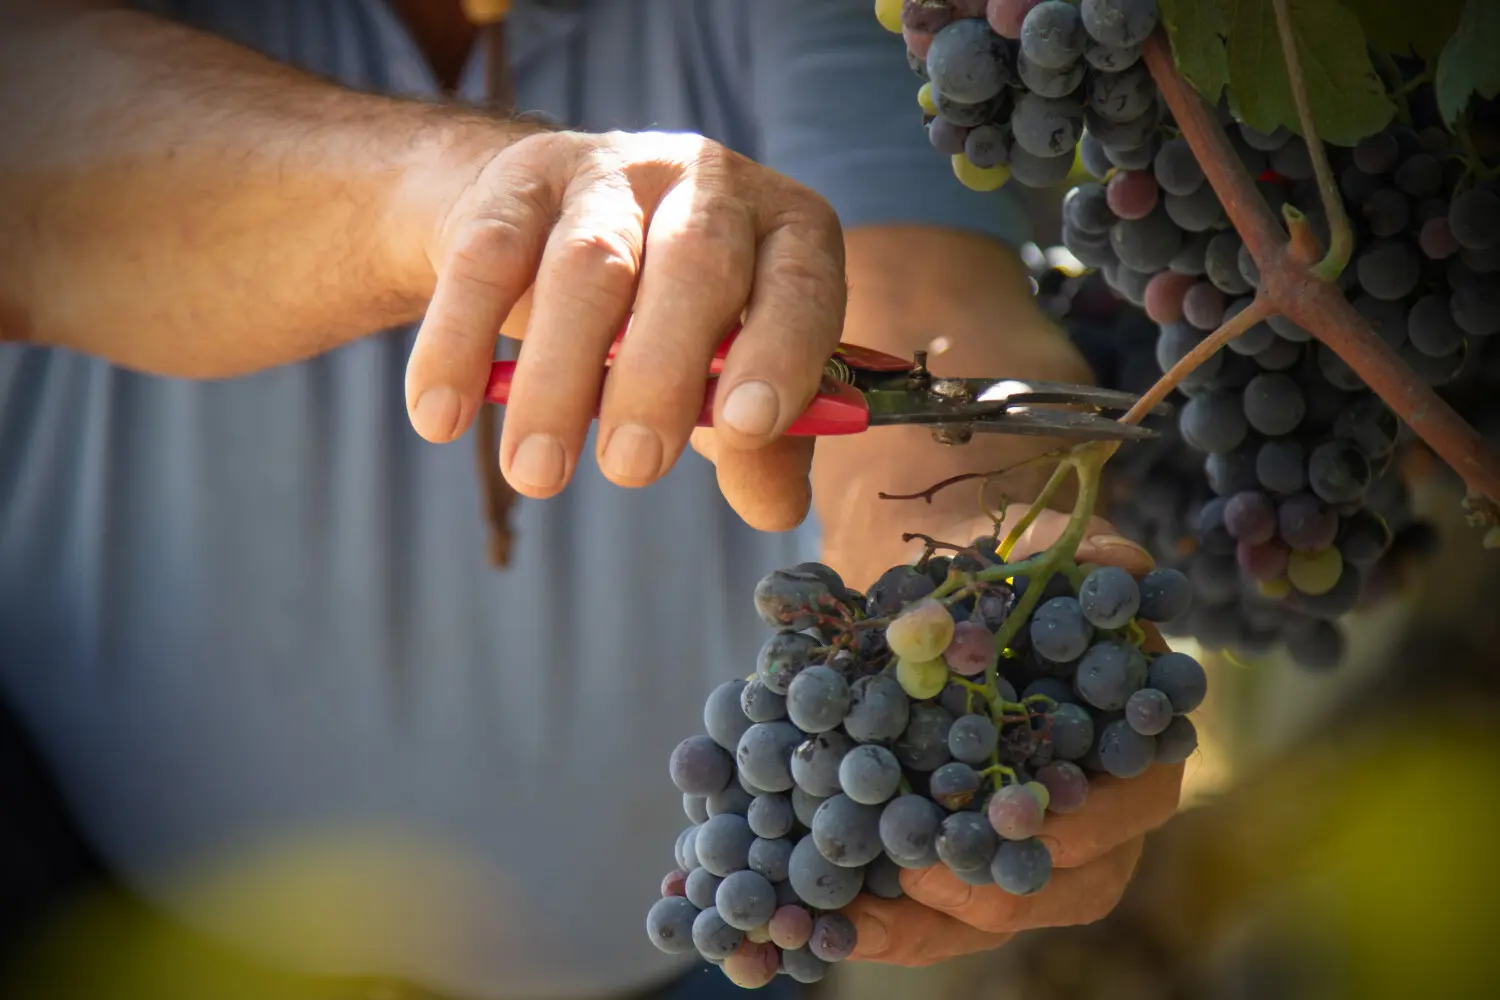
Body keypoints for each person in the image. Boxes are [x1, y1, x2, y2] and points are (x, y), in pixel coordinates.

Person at [0, 1, 1182, 998]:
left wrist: (977, 542)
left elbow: (922, 298)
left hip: (708, 962)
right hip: (114, 943)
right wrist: (456, 197)